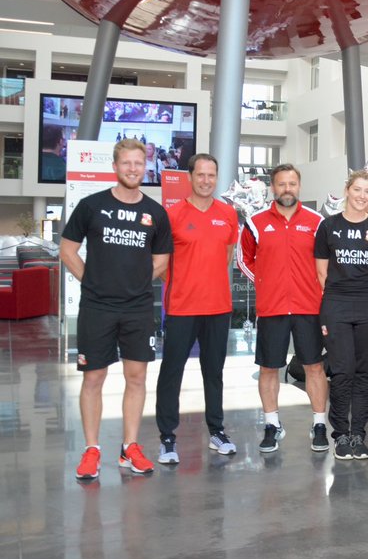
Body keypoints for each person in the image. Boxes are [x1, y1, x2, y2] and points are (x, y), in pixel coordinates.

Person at [61, 139, 173, 479]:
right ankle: (92, 449)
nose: (133, 169)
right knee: (93, 377)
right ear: (115, 166)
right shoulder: (91, 206)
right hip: (97, 307)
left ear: (146, 167)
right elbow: (67, 251)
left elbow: (161, 260)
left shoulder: (156, 213)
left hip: (138, 308)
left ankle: (130, 448)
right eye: (126, 163)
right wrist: (92, 281)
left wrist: (137, 282)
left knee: (136, 378)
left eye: (139, 163)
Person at [237, 164, 330, 454]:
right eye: (281, 184)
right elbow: (243, 259)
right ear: (272, 188)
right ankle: (271, 424)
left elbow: (326, 262)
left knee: (314, 367)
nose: (286, 189)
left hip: (309, 307)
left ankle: (318, 425)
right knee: (269, 369)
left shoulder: (317, 222)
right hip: (272, 308)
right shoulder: (255, 222)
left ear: (299, 186)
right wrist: (265, 284)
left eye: (292, 184)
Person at [155, 153, 239, 464]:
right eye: (200, 175)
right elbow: (163, 264)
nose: (206, 181)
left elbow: (227, 255)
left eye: (211, 175)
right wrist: (186, 282)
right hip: (181, 308)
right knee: (171, 373)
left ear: (216, 178)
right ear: (190, 177)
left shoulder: (228, 215)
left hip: (218, 307)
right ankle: (166, 438)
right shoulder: (172, 215)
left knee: (213, 372)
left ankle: (217, 431)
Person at [315, 171, 368, 460]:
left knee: (364, 372)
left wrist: (366, 294)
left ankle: (358, 433)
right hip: (336, 304)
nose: (362, 196)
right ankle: (340, 434)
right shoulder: (328, 227)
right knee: (342, 371)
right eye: (357, 189)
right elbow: (321, 272)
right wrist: (340, 294)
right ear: (347, 190)